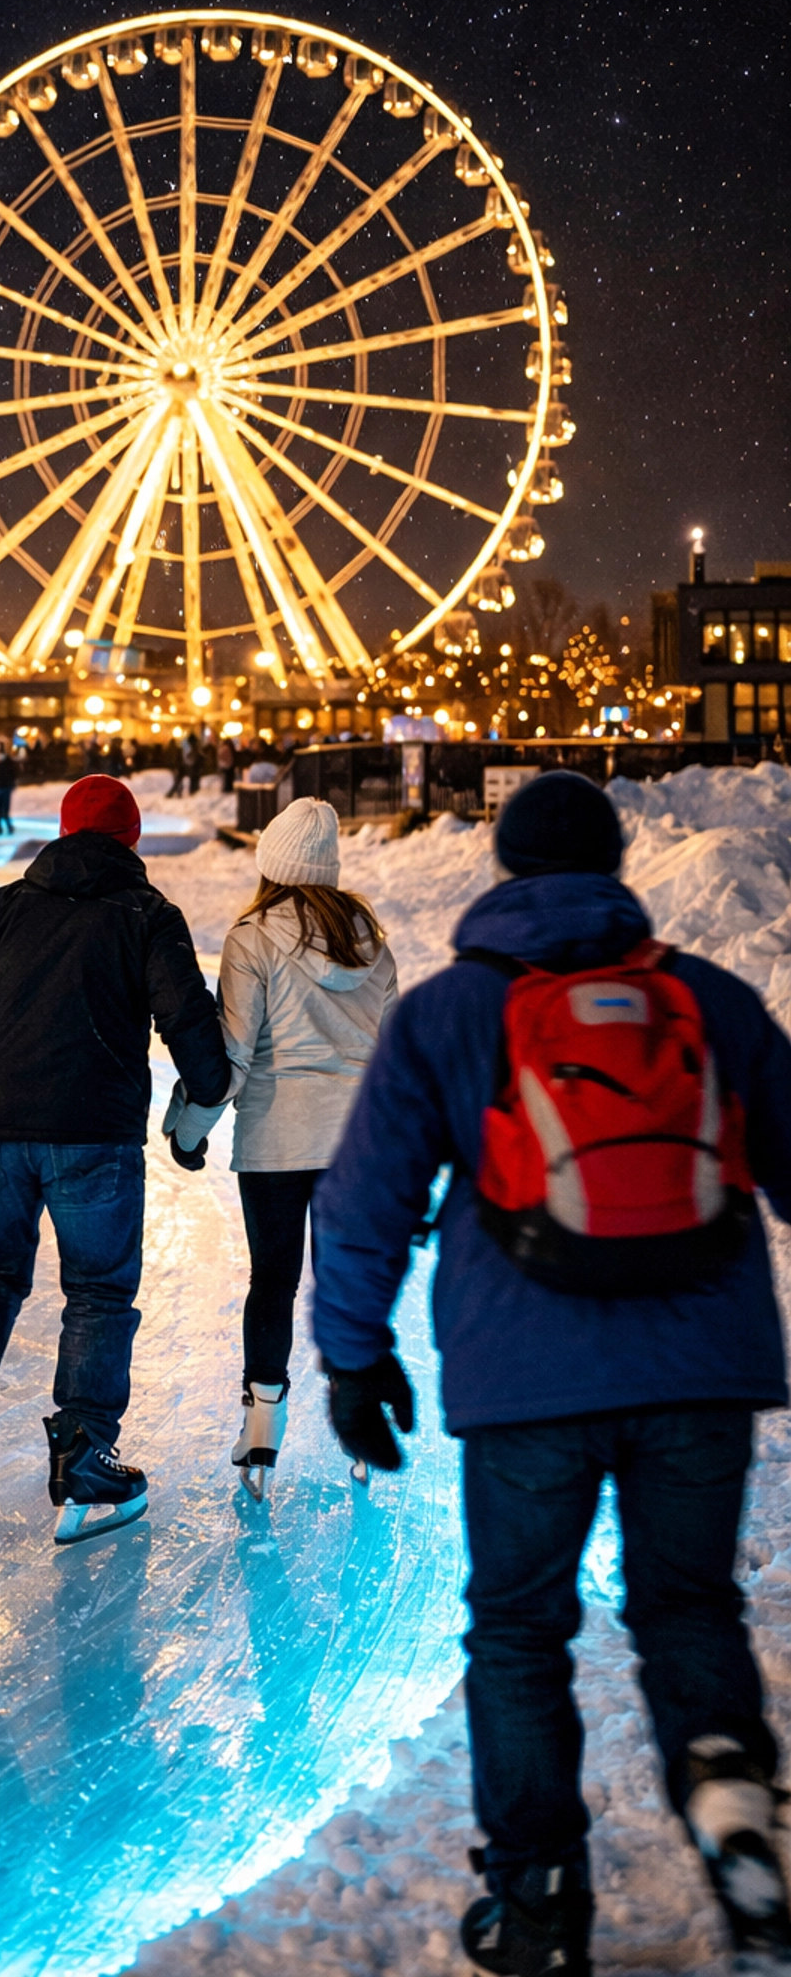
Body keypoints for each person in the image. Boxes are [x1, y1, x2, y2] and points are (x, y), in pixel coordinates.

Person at [310, 770, 791, 1975]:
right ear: (620, 864)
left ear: (506, 867)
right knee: (688, 1608)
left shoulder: (452, 1013)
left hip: (524, 1377)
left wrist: (352, 1359)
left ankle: (537, 1902)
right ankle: (733, 1806)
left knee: (520, 1631)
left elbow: (365, 1198)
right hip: (702, 1368)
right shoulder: (709, 998)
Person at [0, 775, 230, 1547]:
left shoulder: (0, 909)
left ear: (64, 834)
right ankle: (83, 1454)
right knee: (98, 1292)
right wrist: (203, 1099)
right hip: (94, 1132)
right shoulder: (145, 914)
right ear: (129, 839)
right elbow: (186, 1016)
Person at [165, 799, 396, 1500]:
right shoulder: (371, 942)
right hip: (356, 1144)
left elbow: (231, 1056)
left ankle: (263, 1421)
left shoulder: (252, 938)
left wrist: (188, 1129)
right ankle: (359, 1419)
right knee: (345, 1283)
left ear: (270, 864)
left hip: (275, 1143)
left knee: (274, 1280)